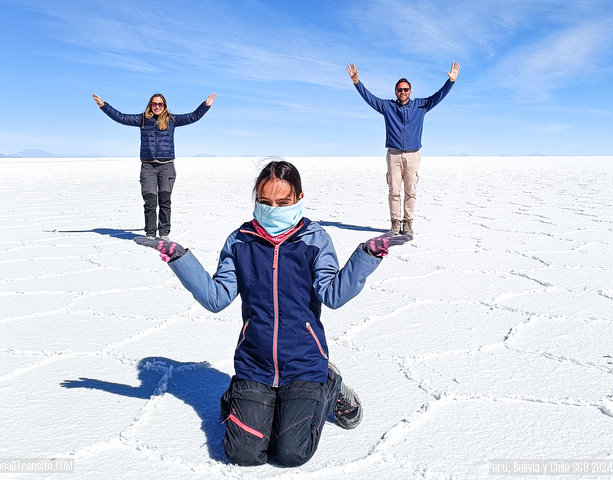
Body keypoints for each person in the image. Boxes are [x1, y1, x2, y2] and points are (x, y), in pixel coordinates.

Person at [134, 159, 412, 467]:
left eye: (282, 202)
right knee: (243, 454)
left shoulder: (314, 239)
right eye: (265, 202)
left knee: (291, 453)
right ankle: (248, 399)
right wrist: (179, 258)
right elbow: (216, 298)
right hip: (255, 364)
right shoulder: (241, 240)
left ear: (298, 200)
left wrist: (367, 255)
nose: (273, 209)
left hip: (304, 363)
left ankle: (330, 384)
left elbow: (333, 295)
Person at [347, 62, 460, 236]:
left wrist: (450, 82)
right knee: (394, 191)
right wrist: (357, 82)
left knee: (410, 190)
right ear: (395, 92)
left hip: (413, 155)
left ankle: (407, 223)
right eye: (400, 90)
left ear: (411, 91)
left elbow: (439, 96)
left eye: (406, 89)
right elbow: (370, 98)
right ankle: (395, 223)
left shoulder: (421, 105)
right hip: (394, 155)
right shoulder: (387, 107)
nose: (403, 92)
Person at [93, 92, 216, 239]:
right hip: (148, 167)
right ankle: (150, 233)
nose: (157, 106)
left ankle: (164, 233)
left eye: (160, 104)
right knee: (150, 201)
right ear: (150, 105)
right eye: (154, 103)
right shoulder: (143, 119)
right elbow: (121, 117)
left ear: (164, 106)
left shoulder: (172, 120)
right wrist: (103, 105)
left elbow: (193, 116)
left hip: (167, 166)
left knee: (165, 201)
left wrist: (206, 105)